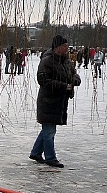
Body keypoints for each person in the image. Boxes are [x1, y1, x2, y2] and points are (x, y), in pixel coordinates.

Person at [29, 35, 81, 168]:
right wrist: (63, 86)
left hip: (60, 101)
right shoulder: (47, 61)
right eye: (65, 46)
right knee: (49, 130)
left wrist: (74, 81)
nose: (67, 48)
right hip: (48, 101)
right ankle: (50, 157)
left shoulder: (66, 62)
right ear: (57, 47)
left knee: (48, 128)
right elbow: (43, 80)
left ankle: (36, 152)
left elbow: (74, 74)